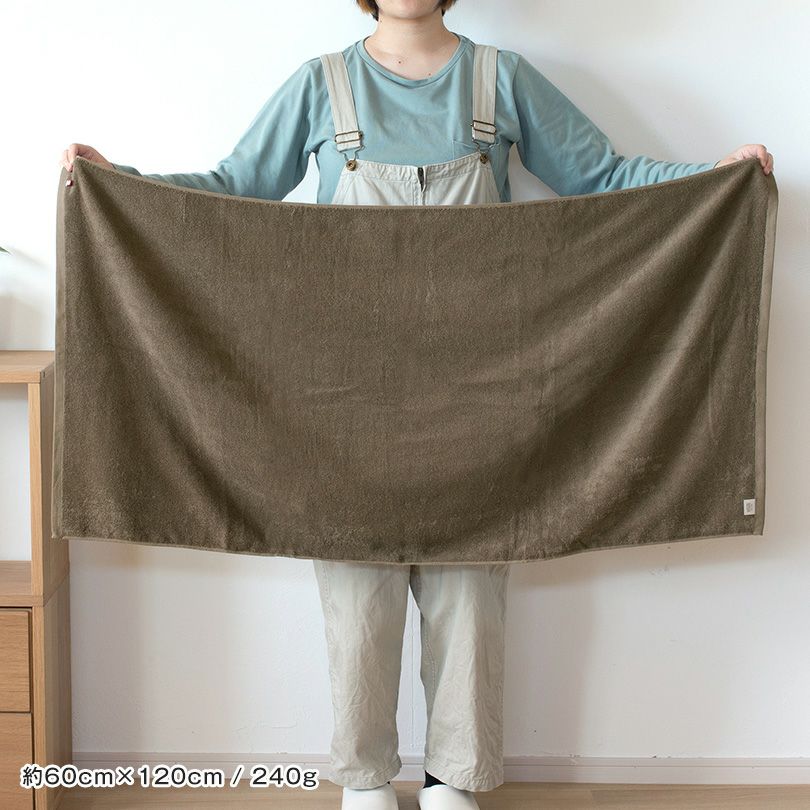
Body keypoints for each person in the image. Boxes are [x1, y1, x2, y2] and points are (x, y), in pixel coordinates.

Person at [59, 2, 774, 809]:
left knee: (470, 596)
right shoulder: (320, 85)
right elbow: (231, 191)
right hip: (342, 407)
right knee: (356, 601)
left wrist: (717, 179)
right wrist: (121, 185)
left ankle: (453, 780)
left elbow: (603, 178)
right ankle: (363, 780)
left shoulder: (501, 79)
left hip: (480, 399)